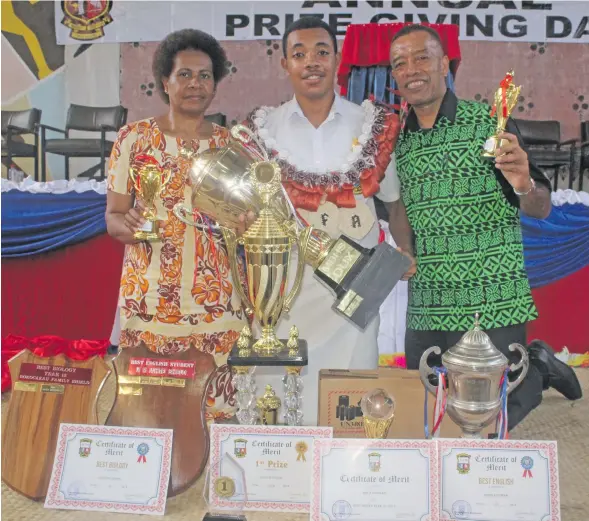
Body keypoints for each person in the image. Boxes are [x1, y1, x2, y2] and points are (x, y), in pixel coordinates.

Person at [387, 24, 582, 429]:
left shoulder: (488, 124)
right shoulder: (397, 142)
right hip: (430, 300)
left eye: (422, 57)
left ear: (444, 64)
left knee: (492, 419)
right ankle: (537, 362)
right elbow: (399, 208)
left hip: (492, 292)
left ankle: (540, 367)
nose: (411, 69)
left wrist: (523, 182)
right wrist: (405, 249)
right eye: (399, 63)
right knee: (432, 415)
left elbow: (540, 206)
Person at [245, 17, 415, 425]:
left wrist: (404, 250)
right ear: (284, 64)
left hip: (356, 282)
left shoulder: (371, 124)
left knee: (352, 390)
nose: (312, 62)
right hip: (287, 285)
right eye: (299, 54)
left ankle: (347, 469)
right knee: (282, 387)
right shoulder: (261, 130)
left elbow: (395, 202)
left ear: (337, 59)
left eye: (322, 51)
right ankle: (281, 468)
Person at [105, 29, 253, 421]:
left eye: (205, 76)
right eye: (185, 75)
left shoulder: (230, 146)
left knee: (216, 413)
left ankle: (215, 484)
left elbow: (245, 223)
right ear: (165, 82)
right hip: (150, 299)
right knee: (149, 412)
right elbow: (113, 218)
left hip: (217, 301)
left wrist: (248, 222)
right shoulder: (133, 140)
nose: (195, 84)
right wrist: (131, 224)